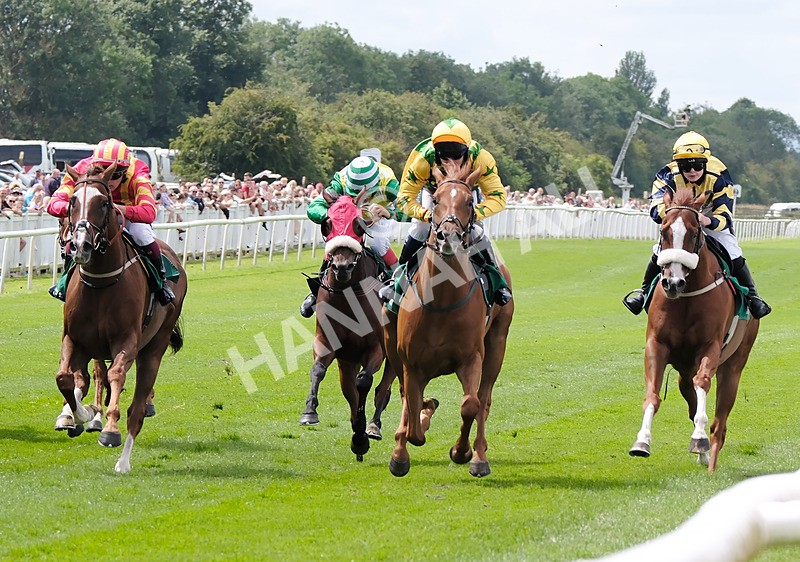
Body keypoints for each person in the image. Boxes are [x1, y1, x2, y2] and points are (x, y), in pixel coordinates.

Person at [622, 131, 771, 319]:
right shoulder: (666, 175)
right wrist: (679, 214)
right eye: (685, 166)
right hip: (678, 215)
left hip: (709, 215)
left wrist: (706, 220)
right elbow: (655, 209)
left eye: (697, 165)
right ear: (678, 165)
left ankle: (753, 297)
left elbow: (724, 214)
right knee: (661, 249)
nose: (692, 171)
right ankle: (643, 293)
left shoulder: (719, 175)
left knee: (731, 250)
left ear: (705, 163)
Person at [383, 117, 512, 306]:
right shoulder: (423, 159)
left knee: (476, 230)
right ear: (436, 152)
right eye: (444, 155)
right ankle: (397, 281)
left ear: (467, 150)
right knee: (419, 229)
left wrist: (475, 214)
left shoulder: (482, 159)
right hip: (435, 193)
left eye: (457, 155)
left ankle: (498, 283)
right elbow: (404, 199)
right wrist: (426, 215)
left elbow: (499, 198)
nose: (450, 161)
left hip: (465, 192)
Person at [46, 138, 175, 305]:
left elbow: (149, 212)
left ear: (125, 170)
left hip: (126, 215)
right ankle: (64, 282)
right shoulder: (80, 170)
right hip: (93, 215)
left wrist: (118, 209)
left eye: (115, 174)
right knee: (76, 238)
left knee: (141, 234)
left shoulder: (138, 170)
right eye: (103, 172)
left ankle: (161, 282)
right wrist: (80, 208)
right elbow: (53, 204)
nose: (109, 179)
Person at [299, 155, 404, 318]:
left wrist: (389, 212)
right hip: (347, 216)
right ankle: (317, 290)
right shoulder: (341, 179)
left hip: (378, 215)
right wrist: (333, 216)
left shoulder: (389, 182)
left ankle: (398, 284)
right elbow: (313, 208)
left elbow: (408, 211)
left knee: (378, 243)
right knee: (336, 241)